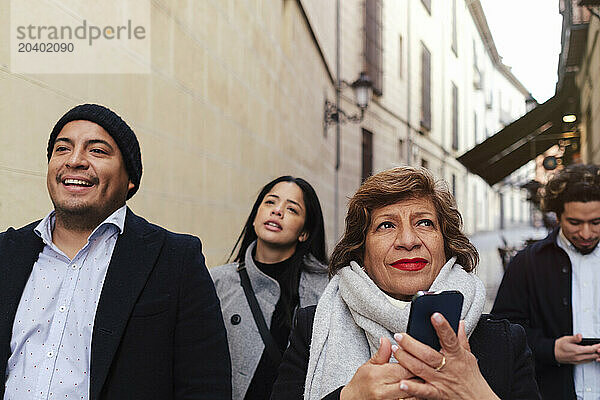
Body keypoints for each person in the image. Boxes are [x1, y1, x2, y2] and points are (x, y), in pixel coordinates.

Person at [0, 104, 231, 400]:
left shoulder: (175, 259)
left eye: (96, 151)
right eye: (62, 149)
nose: (74, 160)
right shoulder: (7, 253)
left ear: (130, 179)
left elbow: (205, 386)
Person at [271, 166, 540, 400]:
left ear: (447, 246)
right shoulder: (313, 327)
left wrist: (476, 393)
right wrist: (346, 397)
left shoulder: (505, 341)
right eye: (386, 226)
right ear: (360, 251)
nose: (408, 240)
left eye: (424, 223)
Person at [210, 176, 329, 399]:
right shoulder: (217, 282)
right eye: (270, 202)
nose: (277, 211)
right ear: (255, 217)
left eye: (292, 209)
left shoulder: (326, 289)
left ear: (304, 232)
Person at [492, 164, 600, 400]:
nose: (586, 233)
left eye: (596, 222)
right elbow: (501, 331)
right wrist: (550, 350)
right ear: (557, 215)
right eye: (574, 222)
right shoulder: (527, 263)